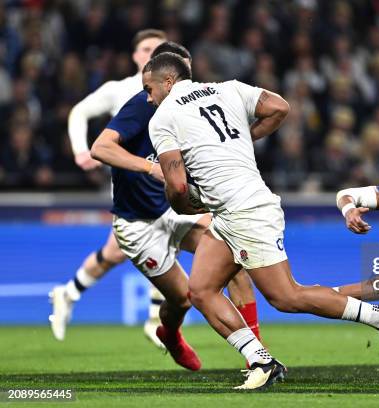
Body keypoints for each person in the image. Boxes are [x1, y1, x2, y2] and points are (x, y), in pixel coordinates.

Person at [144, 52, 379, 390]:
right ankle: (261, 361)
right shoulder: (228, 89)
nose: (148, 97)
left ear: (168, 82)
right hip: (234, 211)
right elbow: (280, 107)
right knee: (201, 290)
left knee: (287, 297)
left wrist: (181, 205)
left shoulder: (163, 117)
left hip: (246, 212)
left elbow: (178, 185)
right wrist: (242, 139)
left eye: (149, 88)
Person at [88, 41, 261, 369]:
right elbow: (101, 148)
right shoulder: (143, 105)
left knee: (235, 258)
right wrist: (149, 167)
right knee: (181, 299)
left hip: (174, 208)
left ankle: (257, 355)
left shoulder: (195, 106)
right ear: (164, 78)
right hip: (137, 224)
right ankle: (170, 334)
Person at [49, 29, 170, 347]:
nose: (151, 53)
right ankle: (156, 318)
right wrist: (80, 150)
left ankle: (68, 293)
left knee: (116, 252)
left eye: (159, 48)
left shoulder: (173, 91)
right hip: (133, 183)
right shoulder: (121, 90)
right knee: (161, 238)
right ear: (134, 55)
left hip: (162, 178)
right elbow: (79, 112)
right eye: (146, 48)